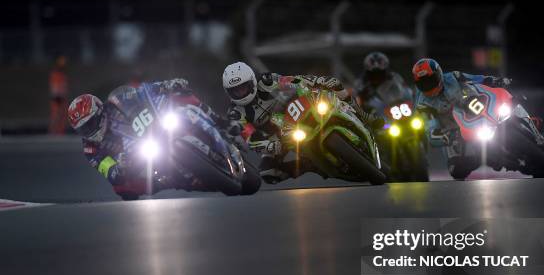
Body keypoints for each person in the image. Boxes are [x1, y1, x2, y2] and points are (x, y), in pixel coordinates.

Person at [221, 61, 363, 183]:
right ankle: (311, 165)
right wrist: (269, 145)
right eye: (236, 91)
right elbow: (250, 137)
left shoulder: (266, 81)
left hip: (296, 110)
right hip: (279, 136)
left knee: (334, 85)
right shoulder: (236, 113)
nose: (241, 92)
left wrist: (311, 83)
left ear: (252, 81)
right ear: (228, 92)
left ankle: (362, 116)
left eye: (243, 87)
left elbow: (292, 81)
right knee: (268, 173)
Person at [67, 78, 208, 197]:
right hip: (134, 157)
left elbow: (142, 92)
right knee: (121, 188)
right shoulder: (90, 149)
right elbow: (108, 171)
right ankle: (169, 182)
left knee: (178, 94)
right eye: (83, 129)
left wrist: (165, 85)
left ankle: (216, 120)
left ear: (99, 111)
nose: (88, 130)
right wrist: (119, 168)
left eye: (90, 123)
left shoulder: (116, 102)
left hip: (152, 126)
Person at [411, 58, 512, 179]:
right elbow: (430, 128)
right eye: (424, 84)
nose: (429, 86)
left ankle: (523, 122)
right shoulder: (422, 104)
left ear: (439, 74)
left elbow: (476, 78)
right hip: (452, 129)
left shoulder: (453, 77)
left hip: (472, 111)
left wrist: (493, 80)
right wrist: (443, 135)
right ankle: (480, 159)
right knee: (456, 171)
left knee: (507, 107)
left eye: (431, 80)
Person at [49, 55, 69, 134]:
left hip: (62, 97)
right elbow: (54, 86)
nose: (63, 62)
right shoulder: (55, 74)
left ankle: (60, 132)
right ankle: (54, 132)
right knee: (56, 116)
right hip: (57, 98)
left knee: (62, 116)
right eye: (61, 60)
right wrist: (56, 96)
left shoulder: (62, 73)